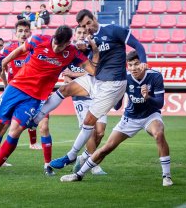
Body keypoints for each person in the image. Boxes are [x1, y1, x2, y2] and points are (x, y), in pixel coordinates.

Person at [0, 24, 99, 193]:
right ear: (54, 37)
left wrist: (94, 49)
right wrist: (5, 60)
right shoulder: (38, 39)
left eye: (60, 45)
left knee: (15, 131)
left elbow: (94, 70)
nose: (56, 47)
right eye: (55, 43)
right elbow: (19, 50)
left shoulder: (71, 52)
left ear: (67, 44)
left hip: (34, 98)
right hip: (16, 88)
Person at [35, 9, 147, 170]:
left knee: (89, 122)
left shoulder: (114, 30)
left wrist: (144, 62)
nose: (88, 27)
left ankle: (71, 156)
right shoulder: (90, 39)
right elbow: (90, 58)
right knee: (65, 89)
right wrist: (86, 47)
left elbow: (137, 45)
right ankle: (36, 118)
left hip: (112, 84)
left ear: (94, 18)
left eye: (88, 22)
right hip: (96, 79)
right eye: (83, 26)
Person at [61, 51, 173, 186]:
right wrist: (114, 98)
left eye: (136, 64)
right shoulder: (124, 78)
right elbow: (118, 104)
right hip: (130, 118)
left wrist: (147, 97)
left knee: (159, 134)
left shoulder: (155, 76)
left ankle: (166, 176)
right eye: (130, 65)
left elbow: (160, 103)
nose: (133, 68)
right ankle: (78, 175)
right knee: (107, 147)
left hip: (150, 115)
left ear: (142, 64)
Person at [64, 25, 107, 175]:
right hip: (80, 97)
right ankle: (94, 165)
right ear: (75, 35)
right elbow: (66, 76)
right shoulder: (69, 52)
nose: (82, 35)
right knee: (89, 130)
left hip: (97, 95)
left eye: (85, 32)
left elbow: (94, 73)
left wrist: (75, 74)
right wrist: (74, 76)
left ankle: (84, 157)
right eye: (79, 32)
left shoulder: (94, 51)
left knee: (100, 132)